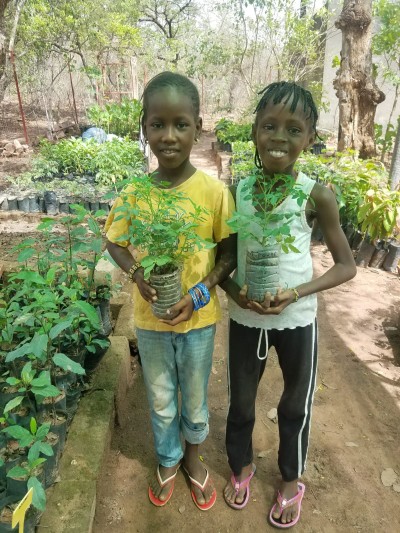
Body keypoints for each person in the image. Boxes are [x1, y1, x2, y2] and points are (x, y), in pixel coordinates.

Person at [221, 81, 356, 527]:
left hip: (297, 319)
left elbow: (346, 267)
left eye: (293, 129)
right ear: (255, 131)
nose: (280, 137)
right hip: (245, 317)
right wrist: (236, 293)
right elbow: (225, 257)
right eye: (269, 126)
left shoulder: (316, 194)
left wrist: (295, 293)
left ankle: (290, 481)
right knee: (241, 401)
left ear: (310, 138)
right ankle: (240, 467)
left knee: (295, 404)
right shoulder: (238, 190)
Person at [104, 71, 236, 511]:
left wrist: (198, 295)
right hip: (153, 321)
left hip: (199, 322)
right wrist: (138, 276)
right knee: (161, 399)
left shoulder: (214, 193)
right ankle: (167, 459)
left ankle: (194, 459)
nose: (169, 135)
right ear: (144, 128)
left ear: (199, 127)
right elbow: (114, 241)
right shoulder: (135, 192)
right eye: (157, 124)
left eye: (181, 124)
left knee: (194, 400)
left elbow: (228, 254)